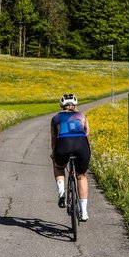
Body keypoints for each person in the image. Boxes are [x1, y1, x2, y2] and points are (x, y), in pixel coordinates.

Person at [50, 93, 91, 221]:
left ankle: (62, 192)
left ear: (61, 105)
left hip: (63, 145)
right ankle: (84, 212)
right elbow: (87, 133)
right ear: (75, 105)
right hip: (81, 145)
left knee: (58, 166)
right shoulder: (82, 116)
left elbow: (53, 138)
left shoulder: (56, 118)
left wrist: (53, 153)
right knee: (81, 175)